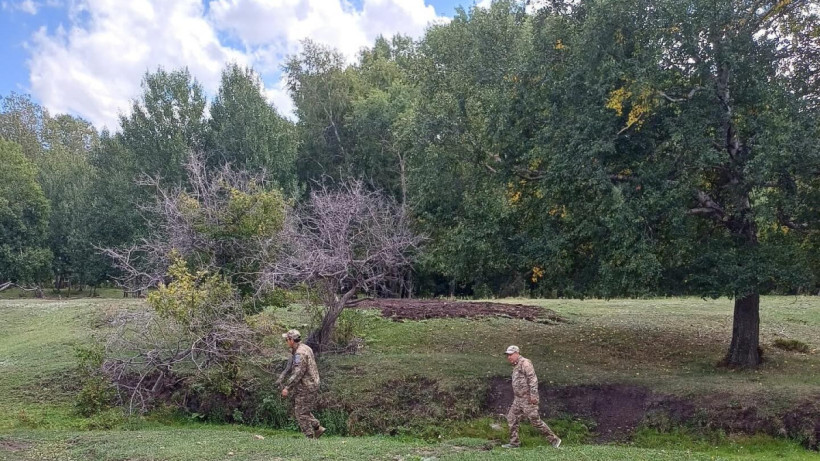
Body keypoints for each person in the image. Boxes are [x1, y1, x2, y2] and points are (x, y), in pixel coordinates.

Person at [502, 345, 561, 449]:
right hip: (518, 399)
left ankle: (554, 439)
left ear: (517, 353)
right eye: (507, 355)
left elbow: (533, 379)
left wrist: (533, 395)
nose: (509, 357)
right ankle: (514, 443)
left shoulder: (525, 363)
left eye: (510, 355)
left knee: (535, 421)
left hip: (528, 398)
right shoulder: (516, 365)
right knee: (511, 418)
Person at [275, 329, 325, 438]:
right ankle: (317, 428)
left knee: (300, 413)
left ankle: (310, 435)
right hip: (311, 383)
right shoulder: (305, 348)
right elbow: (290, 366)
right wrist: (282, 376)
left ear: (292, 340)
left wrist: (287, 387)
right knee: (303, 410)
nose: (286, 342)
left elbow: (298, 373)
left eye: (287, 339)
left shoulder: (300, 353)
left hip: (306, 386)